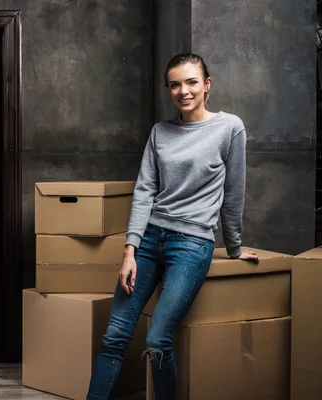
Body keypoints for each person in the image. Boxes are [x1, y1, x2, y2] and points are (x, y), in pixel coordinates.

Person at [86, 53, 259, 400]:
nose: (184, 91)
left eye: (192, 82)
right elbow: (145, 190)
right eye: (175, 84)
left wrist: (235, 248)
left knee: (156, 339)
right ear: (169, 89)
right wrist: (130, 249)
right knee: (115, 335)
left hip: (192, 245)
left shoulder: (229, 128)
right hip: (149, 240)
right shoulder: (160, 132)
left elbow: (233, 193)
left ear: (207, 85)